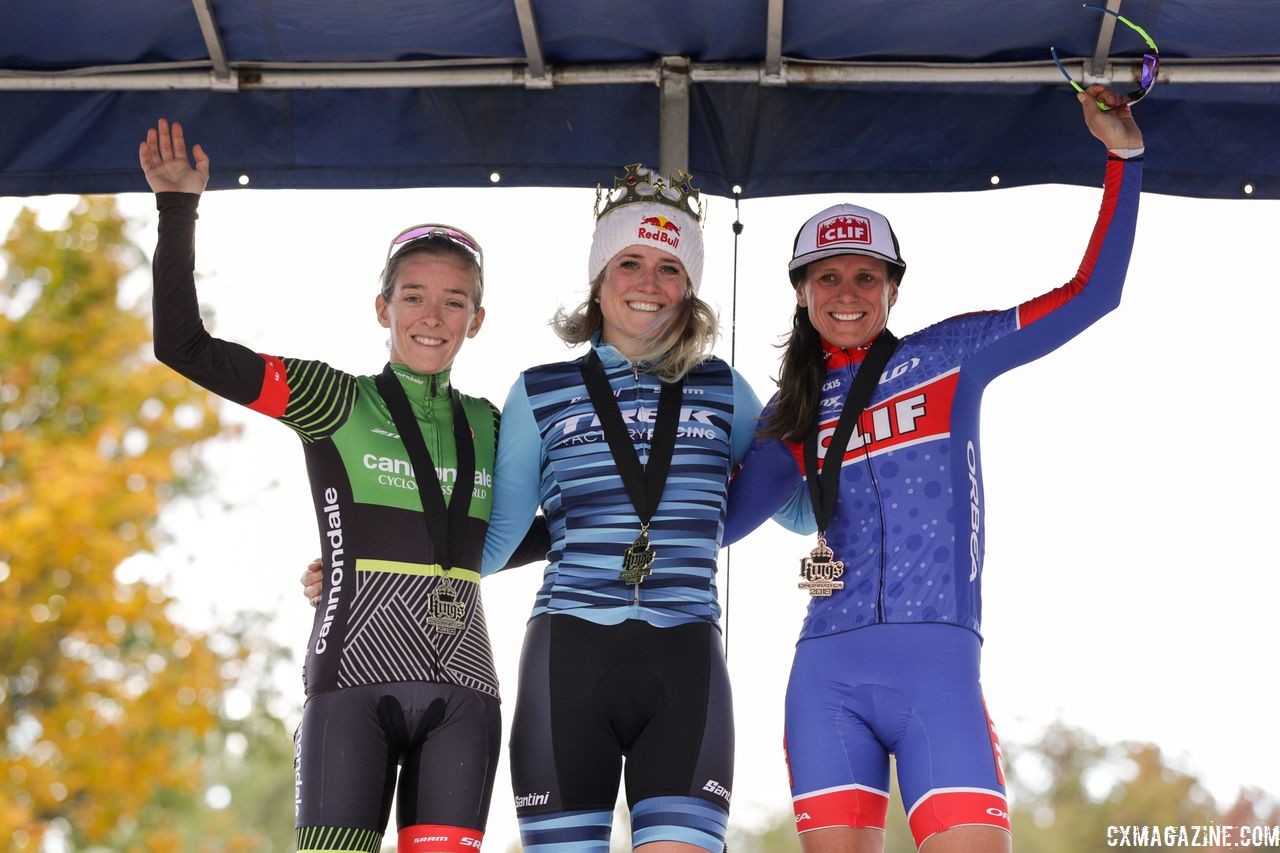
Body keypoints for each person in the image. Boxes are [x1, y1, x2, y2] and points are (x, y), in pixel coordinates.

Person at [722, 85, 1144, 853]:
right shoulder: (792, 411)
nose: (847, 293)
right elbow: (719, 521)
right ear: (801, 292)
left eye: (865, 276)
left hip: (938, 670)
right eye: (828, 276)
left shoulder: (948, 357)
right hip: (827, 677)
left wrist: (1123, 157)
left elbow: (1094, 295)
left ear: (892, 287)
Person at [142, 118, 504, 853]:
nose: (432, 316)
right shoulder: (330, 399)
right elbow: (182, 346)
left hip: (466, 691)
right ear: (382, 308)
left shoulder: (496, 425)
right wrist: (178, 208)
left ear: (477, 318)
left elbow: (534, 531)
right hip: (352, 685)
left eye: (454, 300)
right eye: (412, 296)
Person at [478, 164, 804, 853]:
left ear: (690, 289)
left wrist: (816, 421)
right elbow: (497, 538)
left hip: (685, 658)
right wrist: (374, 573)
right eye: (630, 262)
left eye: (669, 268)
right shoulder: (540, 390)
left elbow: (799, 515)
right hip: (567, 656)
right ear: (599, 278)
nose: (648, 285)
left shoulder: (725, 389)